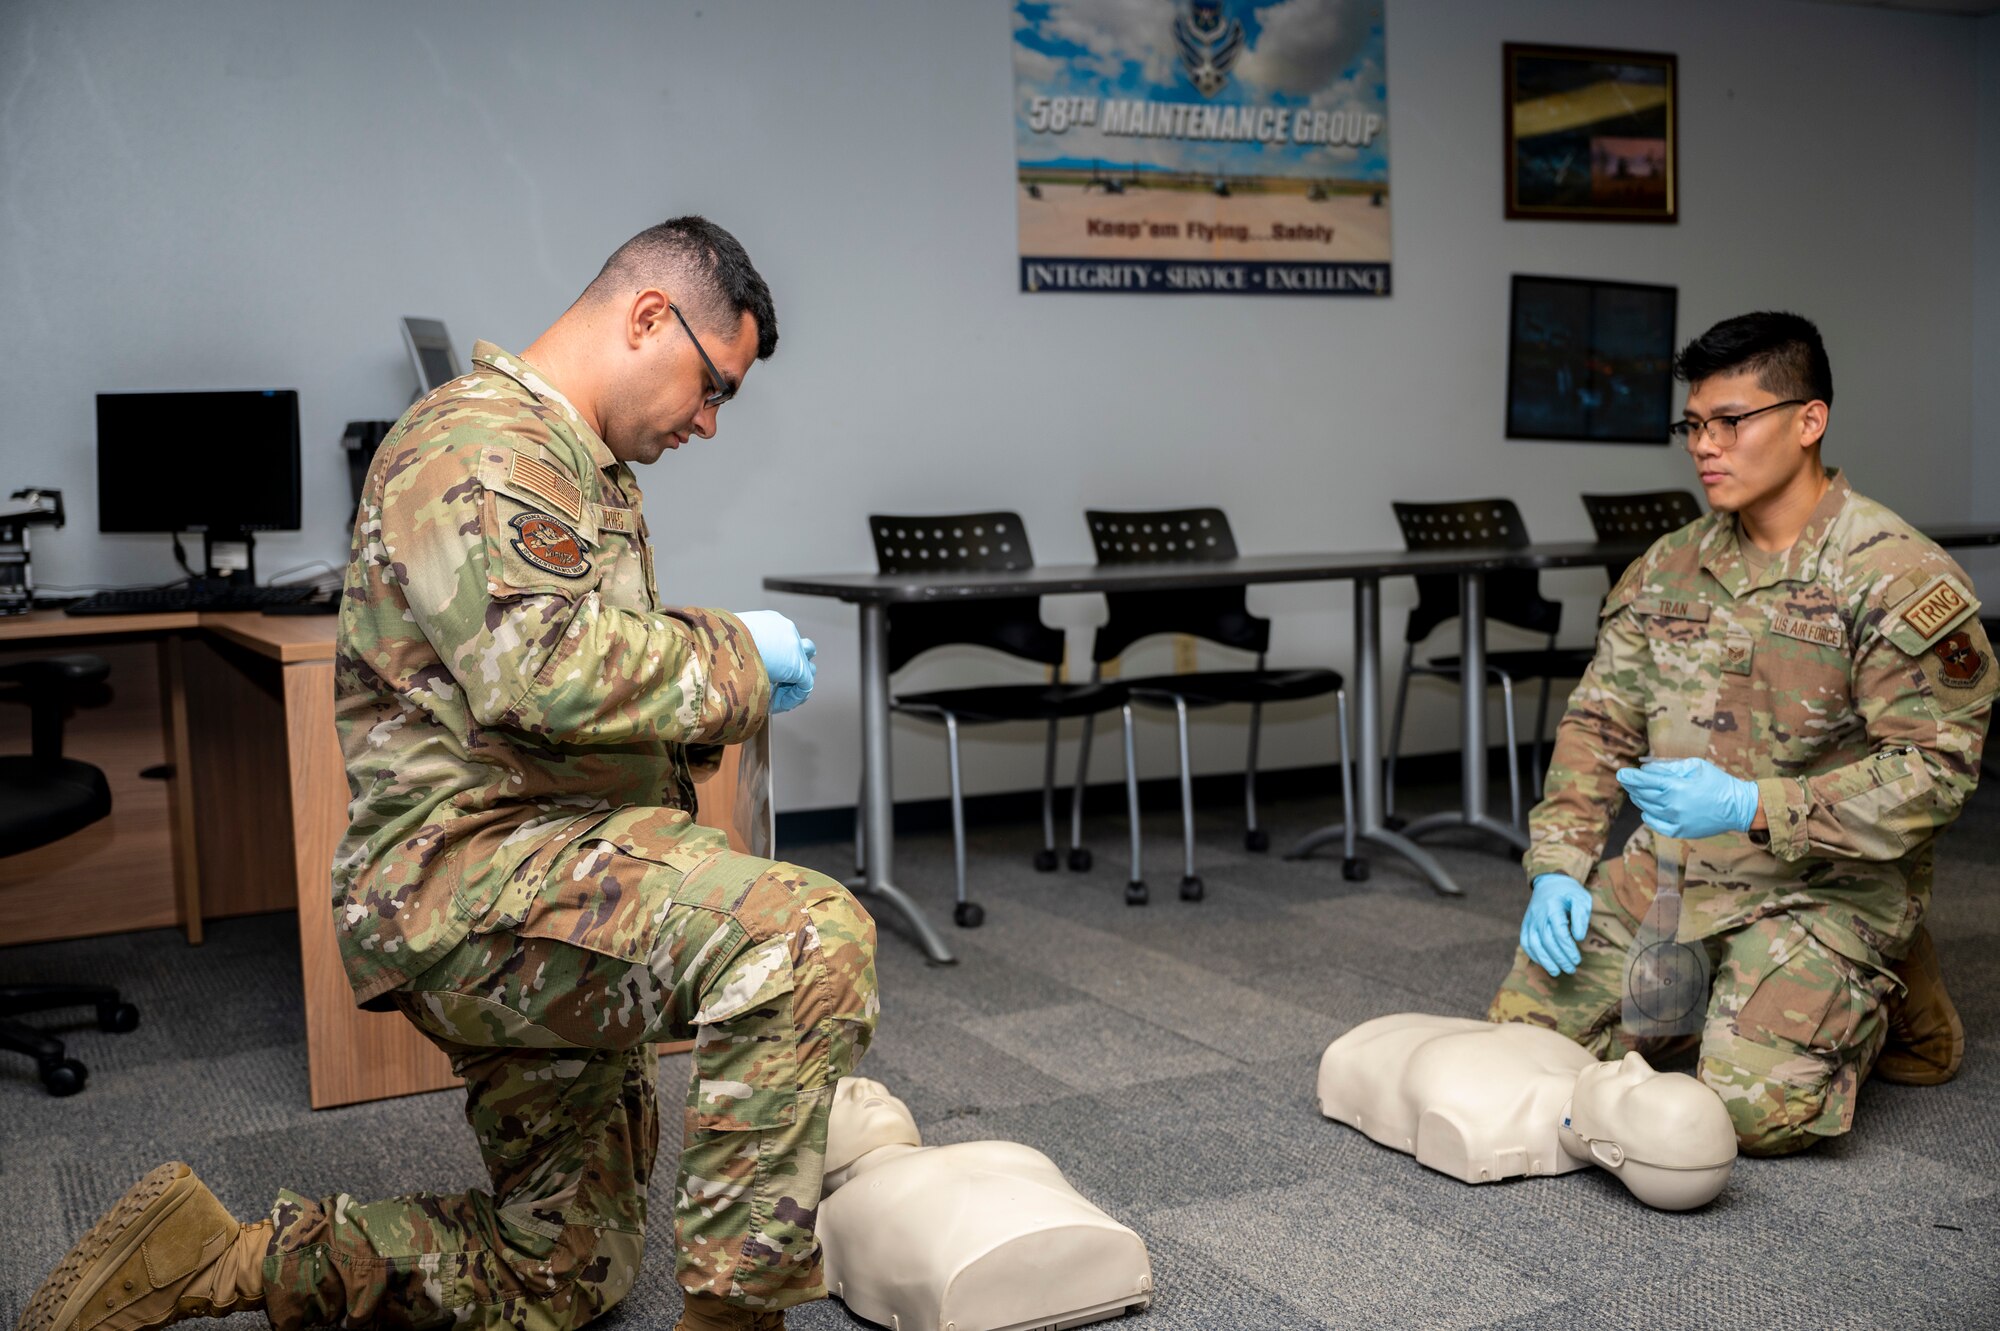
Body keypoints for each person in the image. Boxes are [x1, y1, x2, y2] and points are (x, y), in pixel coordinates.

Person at [18, 217, 877, 1331]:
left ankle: (224, 1259)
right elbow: (547, 673)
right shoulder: (481, 447)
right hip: (475, 887)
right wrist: (732, 655)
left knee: (560, 1274)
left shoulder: (574, 463)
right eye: (714, 385)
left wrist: (710, 688)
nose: (709, 422)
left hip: (552, 874)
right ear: (649, 317)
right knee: (803, 936)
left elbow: (554, 693)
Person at [1491, 311, 1994, 1157]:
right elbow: (1597, 725)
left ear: (1809, 421)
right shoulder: (1665, 568)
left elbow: (1937, 769)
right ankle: (1730, 988)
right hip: (1678, 873)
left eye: (1732, 421)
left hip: (1828, 879)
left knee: (1749, 1117)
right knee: (1521, 1050)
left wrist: (1753, 802)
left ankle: (1897, 984)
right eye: (1694, 424)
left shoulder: (1893, 573)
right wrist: (1558, 867)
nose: (1704, 444)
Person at [817, 1078, 1154, 1331]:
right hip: (961, 1281)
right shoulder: (830, 1214)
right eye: (841, 1099)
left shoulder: (1006, 1149)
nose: (865, 1088)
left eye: (886, 1092)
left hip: (1100, 1248)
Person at [1317, 1013, 1736, 1211]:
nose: (1631, 1062)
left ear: (1612, 1154)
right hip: (1386, 1037)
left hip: (1363, 1048)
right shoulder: (1575, 1064)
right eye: (1652, 1072)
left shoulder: (1483, 1120)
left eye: (1634, 1088)